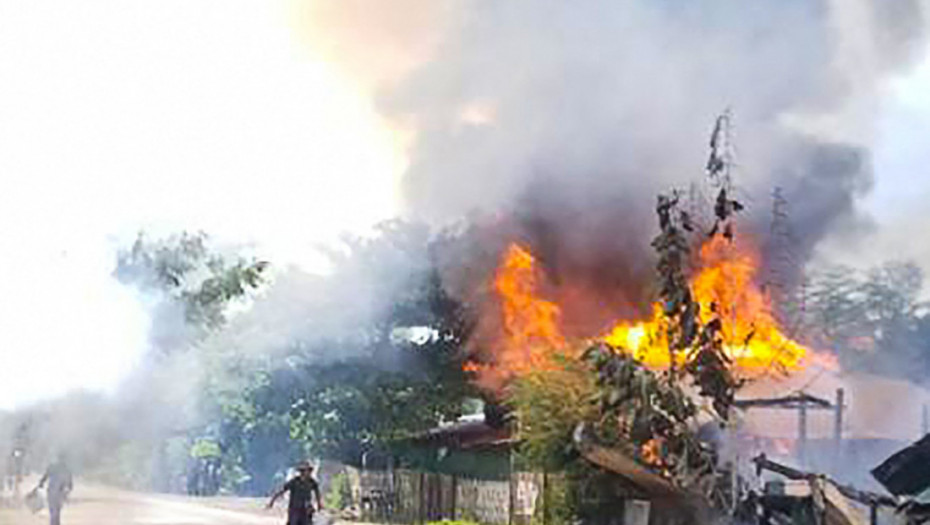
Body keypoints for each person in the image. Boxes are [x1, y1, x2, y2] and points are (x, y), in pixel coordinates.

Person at [267, 461, 323, 525]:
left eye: (309, 471)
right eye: (306, 471)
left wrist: (319, 505)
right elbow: (282, 490)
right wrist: (272, 501)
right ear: (302, 472)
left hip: (306, 510)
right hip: (295, 509)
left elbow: (317, 493)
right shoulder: (294, 482)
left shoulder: (312, 482)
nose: (309, 473)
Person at [35, 454, 72, 525]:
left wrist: (40, 484)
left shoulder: (52, 467)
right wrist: (69, 489)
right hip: (59, 492)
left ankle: (54, 523)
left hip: (52, 491)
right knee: (57, 510)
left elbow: (45, 477)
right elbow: (69, 481)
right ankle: (56, 522)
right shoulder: (65, 468)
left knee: (53, 510)